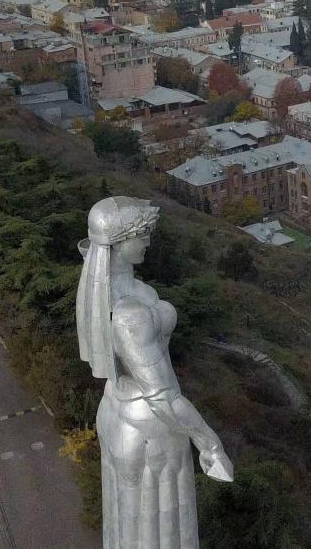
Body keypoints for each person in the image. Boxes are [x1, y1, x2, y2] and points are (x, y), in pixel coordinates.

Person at [77, 197, 232, 549]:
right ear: (118, 242)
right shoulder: (130, 313)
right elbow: (162, 397)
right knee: (160, 532)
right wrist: (210, 444)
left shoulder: (103, 289)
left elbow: (90, 249)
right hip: (152, 429)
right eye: (141, 234)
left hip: (116, 411)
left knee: (125, 521)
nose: (148, 241)